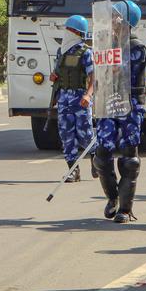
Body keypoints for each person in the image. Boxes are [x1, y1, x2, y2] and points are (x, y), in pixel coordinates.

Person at [94, 0, 146, 223]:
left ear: (127, 21)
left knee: (129, 157)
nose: (112, 20)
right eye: (111, 16)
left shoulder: (136, 47)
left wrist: (114, 69)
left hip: (130, 103)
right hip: (108, 101)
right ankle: (112, 198)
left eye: (116, 16)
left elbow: (127, 72)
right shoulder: (105, 44)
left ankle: (125, 208)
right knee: (102, 155)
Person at [51, 15, 95, 181]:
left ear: (76, 32)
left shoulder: (85, 52)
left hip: (80, 98)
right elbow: (58, 73)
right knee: (66, 134)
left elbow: (93, 77)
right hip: (63, 98)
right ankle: (73, 170)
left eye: (68, 29)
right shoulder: (60, 52)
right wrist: (54, 78)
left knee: (85, 133)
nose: (66, 32)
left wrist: (88, 95)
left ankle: (95, 157)